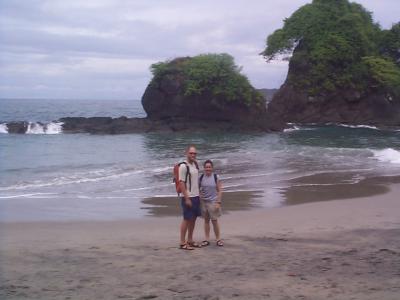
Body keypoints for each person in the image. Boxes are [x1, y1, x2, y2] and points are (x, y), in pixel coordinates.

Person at [178, 145, 202, 250]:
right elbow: (181, 183)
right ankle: (182, 242)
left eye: (194, 153)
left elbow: (196, 182)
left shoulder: (195, 165)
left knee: (193, 219)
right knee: (186, 219)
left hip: (196, 196)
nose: (193, 155)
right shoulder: (183, 166)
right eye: (191, 153)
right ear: (187, 153)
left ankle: (190, 240)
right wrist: (187, 198)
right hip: (188, 197)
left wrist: (199, 194)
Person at [199, 159, 223, 247]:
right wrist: (200, 195)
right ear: (204, 168)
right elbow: (197, 188)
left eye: (209, 167)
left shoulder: (216, 177)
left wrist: (218, 202)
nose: (208, 169)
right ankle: (206, 239)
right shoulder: (201, 177)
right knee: (206, 221)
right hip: (204, 203)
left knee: (214, 221)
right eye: (206, 167)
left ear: (212, 168)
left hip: (213, 202)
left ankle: (218, 239)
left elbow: (220, 190)